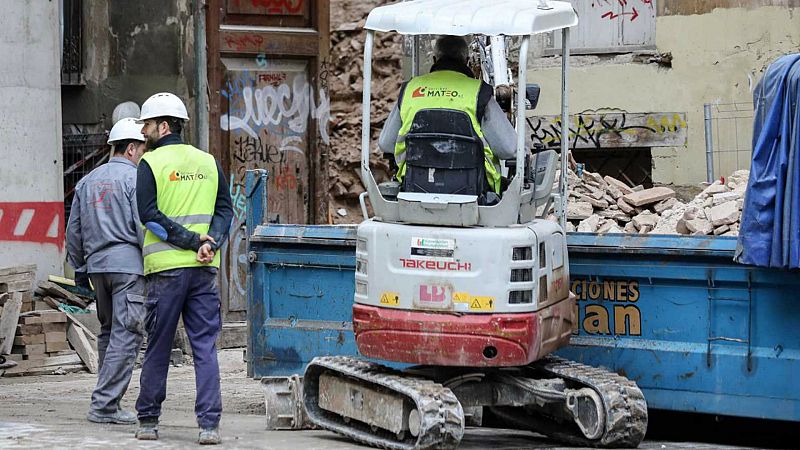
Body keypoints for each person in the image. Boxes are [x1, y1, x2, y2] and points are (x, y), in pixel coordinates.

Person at [132, 92, 233, 445]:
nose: (142, 132)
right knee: (204, 347)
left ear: (163, 126)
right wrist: (210, 243)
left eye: (146, 124)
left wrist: (191, 242)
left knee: (158, 346)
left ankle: (148, 420)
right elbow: (225, 210)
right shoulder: (208, 161)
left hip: (165, 272)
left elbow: (149, 216)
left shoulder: (150, 163)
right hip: (203, 271)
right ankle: (209, 426)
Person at [65, 117, 147, 424]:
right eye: (142, 149)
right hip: (128, 268)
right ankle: (104, 405)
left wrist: (80, 266)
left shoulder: (87, 182)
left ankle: (108, 401)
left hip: (97, 268)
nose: (143, 156)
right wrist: (152, 264)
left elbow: (73, 231)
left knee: (109, 332)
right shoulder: (135, 179)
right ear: (131, 149)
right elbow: (142, 226)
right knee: (127, 334)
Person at [378, 35, 517, 196]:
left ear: (434, 59)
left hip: (414, 188)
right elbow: (508, 149)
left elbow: (386, 144)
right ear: (466, 61)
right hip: (476, 193)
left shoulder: (411, 89)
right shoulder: (479, 93)